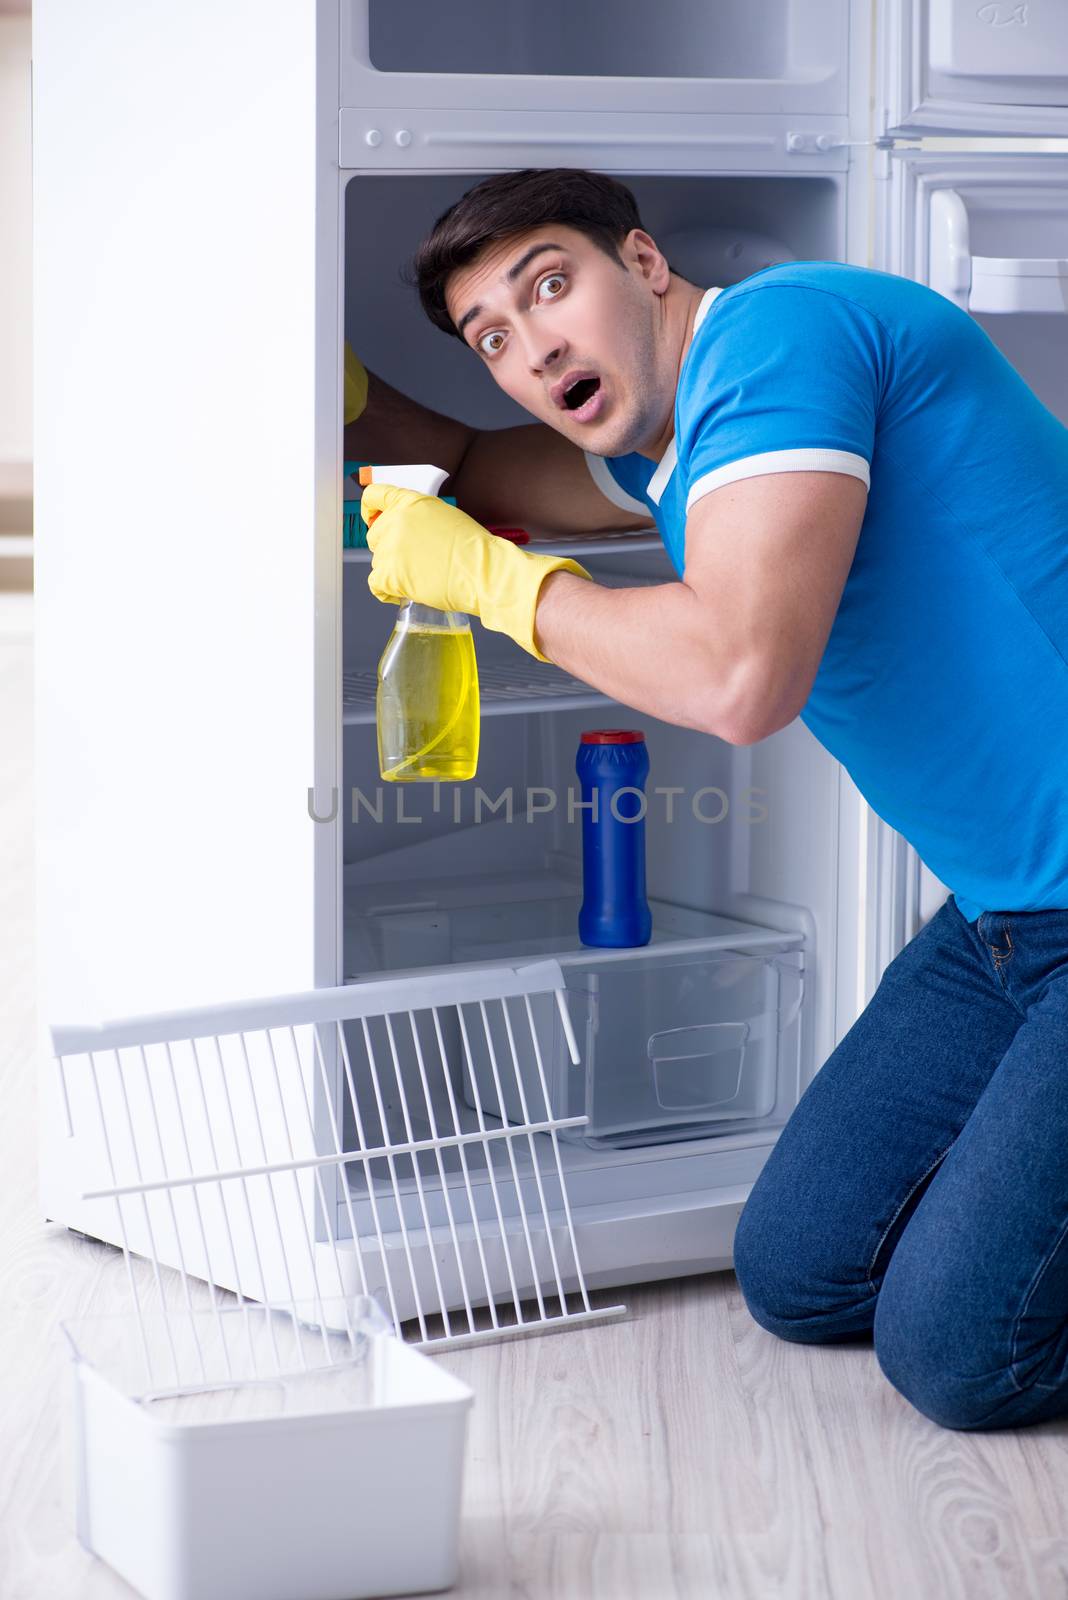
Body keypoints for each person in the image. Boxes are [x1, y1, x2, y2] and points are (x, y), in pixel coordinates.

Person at [345, 167, 1068, 1433]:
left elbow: (741, 679)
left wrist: (505, 590)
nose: (535, 347)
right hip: (1010, 919)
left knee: (962, 1352)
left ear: (646, 261)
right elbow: (474, 465)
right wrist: (342, 399)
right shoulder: (688, 453)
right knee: (801, 1270)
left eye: (551, 284)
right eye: (494, 339)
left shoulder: (778, 337)